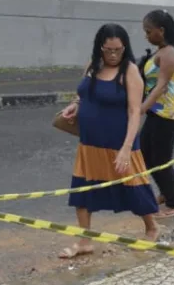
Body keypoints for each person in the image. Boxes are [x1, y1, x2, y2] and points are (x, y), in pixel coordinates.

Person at [57, 24, 158, 257]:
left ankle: (152, 227)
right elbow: (83, 95)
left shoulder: (130, 71)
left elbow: (135, 112)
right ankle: (85, 241)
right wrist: (74, 106)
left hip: (119, 142)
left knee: (135, 187)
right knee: (82, 189)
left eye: (118, 49)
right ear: (100, 47)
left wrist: (125, 148)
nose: (113, 54)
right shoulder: (93, 66)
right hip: (89, 142)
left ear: (125, 48)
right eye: (108, 49)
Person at [140, 10, 174, 218]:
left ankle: (172, 204)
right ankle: (166, 194)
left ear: (161, 30)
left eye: (149, 31)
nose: (146, 35)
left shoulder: (169, 53)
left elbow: (160, 86)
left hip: (168, 115)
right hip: (156, 112)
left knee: (161, 160)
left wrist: (140, 109)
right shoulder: (161, 50)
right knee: (146, 155)